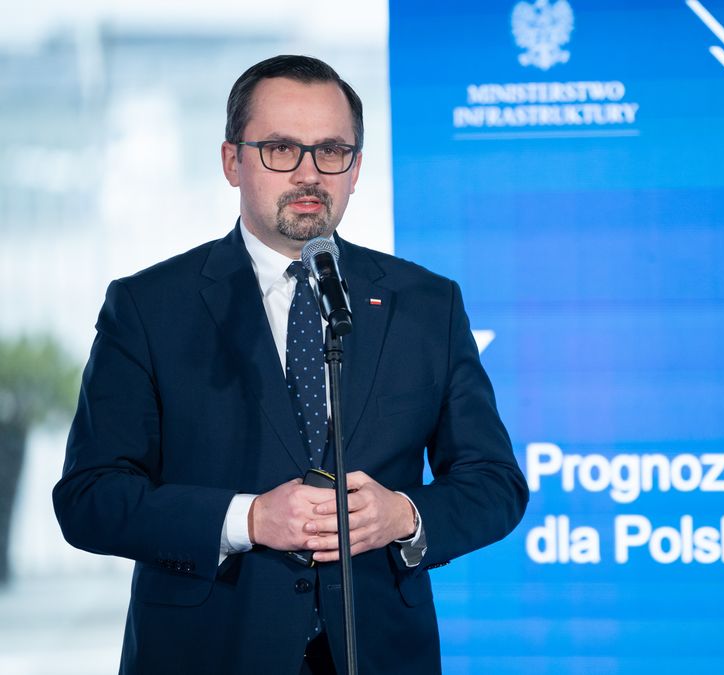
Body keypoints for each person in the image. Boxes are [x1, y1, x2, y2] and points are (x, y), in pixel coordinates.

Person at [52, 55, 528, 675]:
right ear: (232, 161)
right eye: (280, 148)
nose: (309, 173)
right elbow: (90, 499)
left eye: (331, 151)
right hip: (208, 651)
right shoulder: (147, 306)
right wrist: (246, 519)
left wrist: (402, 515)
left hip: (379, 651)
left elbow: (493, 483)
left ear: (355, 168)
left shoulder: (426, 303)